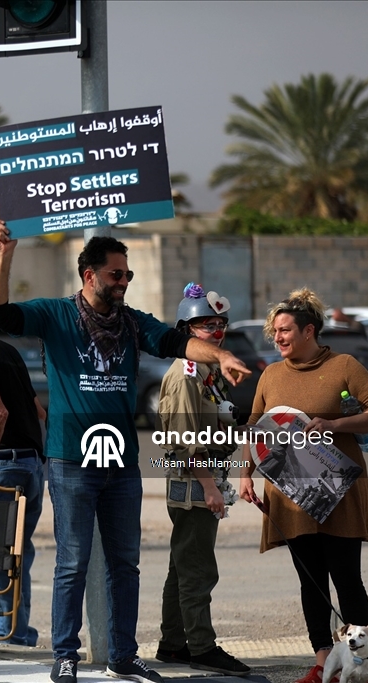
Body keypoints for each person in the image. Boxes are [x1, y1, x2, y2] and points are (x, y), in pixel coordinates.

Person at [0, 225, 250, 683]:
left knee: (125, 563)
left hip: (121, 463)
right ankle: (65, 653)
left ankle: (124, 655)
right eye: (115, 275)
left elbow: (174, 341)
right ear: (89, 275)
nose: (123, 282)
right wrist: (4, 255)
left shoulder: (132, 322)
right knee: (72, 561)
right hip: (71, 459)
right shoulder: (55, 315)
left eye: (127, 275)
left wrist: (217, 357)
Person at [238, 288, 368, 683]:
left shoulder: (344, 366)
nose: (278, 338)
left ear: (309, 331)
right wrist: (244, 476)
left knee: (346, 577)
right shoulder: (271, 374)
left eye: (285, 330)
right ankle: (324, 659)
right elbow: (254, 430)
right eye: (274, 332)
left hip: (339, 494)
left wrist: (336, 425)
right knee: (311, 581)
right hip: (290, 497)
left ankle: (366, 666)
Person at [155, 283, 250, 676]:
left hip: (204, 475)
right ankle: (201, 646)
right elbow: (185, 439)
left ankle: (174, 643)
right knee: (197, 568)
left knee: (183, 565)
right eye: (204, 324)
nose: (215, 330)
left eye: (219, 323)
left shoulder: (207, 371)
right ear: (185, 330)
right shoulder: (185, 374)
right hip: (195, 479)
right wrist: (210, 486)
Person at [0, 337, 47, 646]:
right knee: (17, 554)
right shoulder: (7, 350)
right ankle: (18, 631)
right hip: (28, 462)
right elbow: (38, 410)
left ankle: (7, 634)